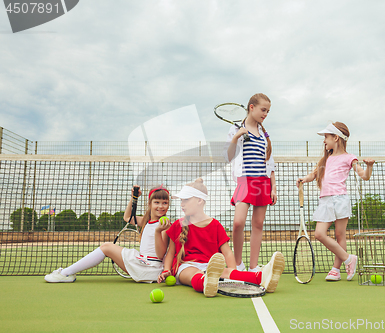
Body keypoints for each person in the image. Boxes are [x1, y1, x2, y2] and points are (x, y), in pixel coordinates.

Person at [155, 178, 285, 297]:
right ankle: (205, 283)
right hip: (185, 267)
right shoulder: (178, 224)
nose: (182, 204)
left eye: (186, 200)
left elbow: (228, 253)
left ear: (200, 201)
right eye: (181, 200)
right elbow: (171, 252)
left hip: (211, 267)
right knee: (195, 275)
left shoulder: (215, 225)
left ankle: (263, 277)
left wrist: (233, 273)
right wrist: (166, 270)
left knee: (227, 272)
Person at [44, 185, 171, 283]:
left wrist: (158, 231)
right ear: (149, 204)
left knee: (106, 247)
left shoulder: (165, 225)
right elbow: (127, 217)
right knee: (106, 247)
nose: (161, 206)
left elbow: (160, 255)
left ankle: (66, 273)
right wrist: (134, 198)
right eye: (157, 202)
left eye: (165, 203)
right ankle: (67, 273)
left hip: (151, 269)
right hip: (142, 262)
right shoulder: (146, 221)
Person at [296, 122, 374, 281]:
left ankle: (335, 270)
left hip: (340, 199)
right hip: (325, 201)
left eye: (326, 137)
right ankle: (348, 259)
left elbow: (364, 176)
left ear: (336, 138)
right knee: (319, 234)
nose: (324, 140)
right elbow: (313, 174)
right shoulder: (325, 160)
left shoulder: (350, 158)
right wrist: (304, 179)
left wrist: (369, 166)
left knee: (340, 235)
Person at [223, 93, 276, 272]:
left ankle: (253, 267)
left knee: (258, 224)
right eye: (263, 110)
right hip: (245, 182)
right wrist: (235, 137)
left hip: (263, 183)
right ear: (251, 107)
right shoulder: (236, 129)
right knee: (238, 223)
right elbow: (228, 156)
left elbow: (270, 163)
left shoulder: (264, 135)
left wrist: (273, 187)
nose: (265, 114)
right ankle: (238, 264)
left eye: (268, 111)